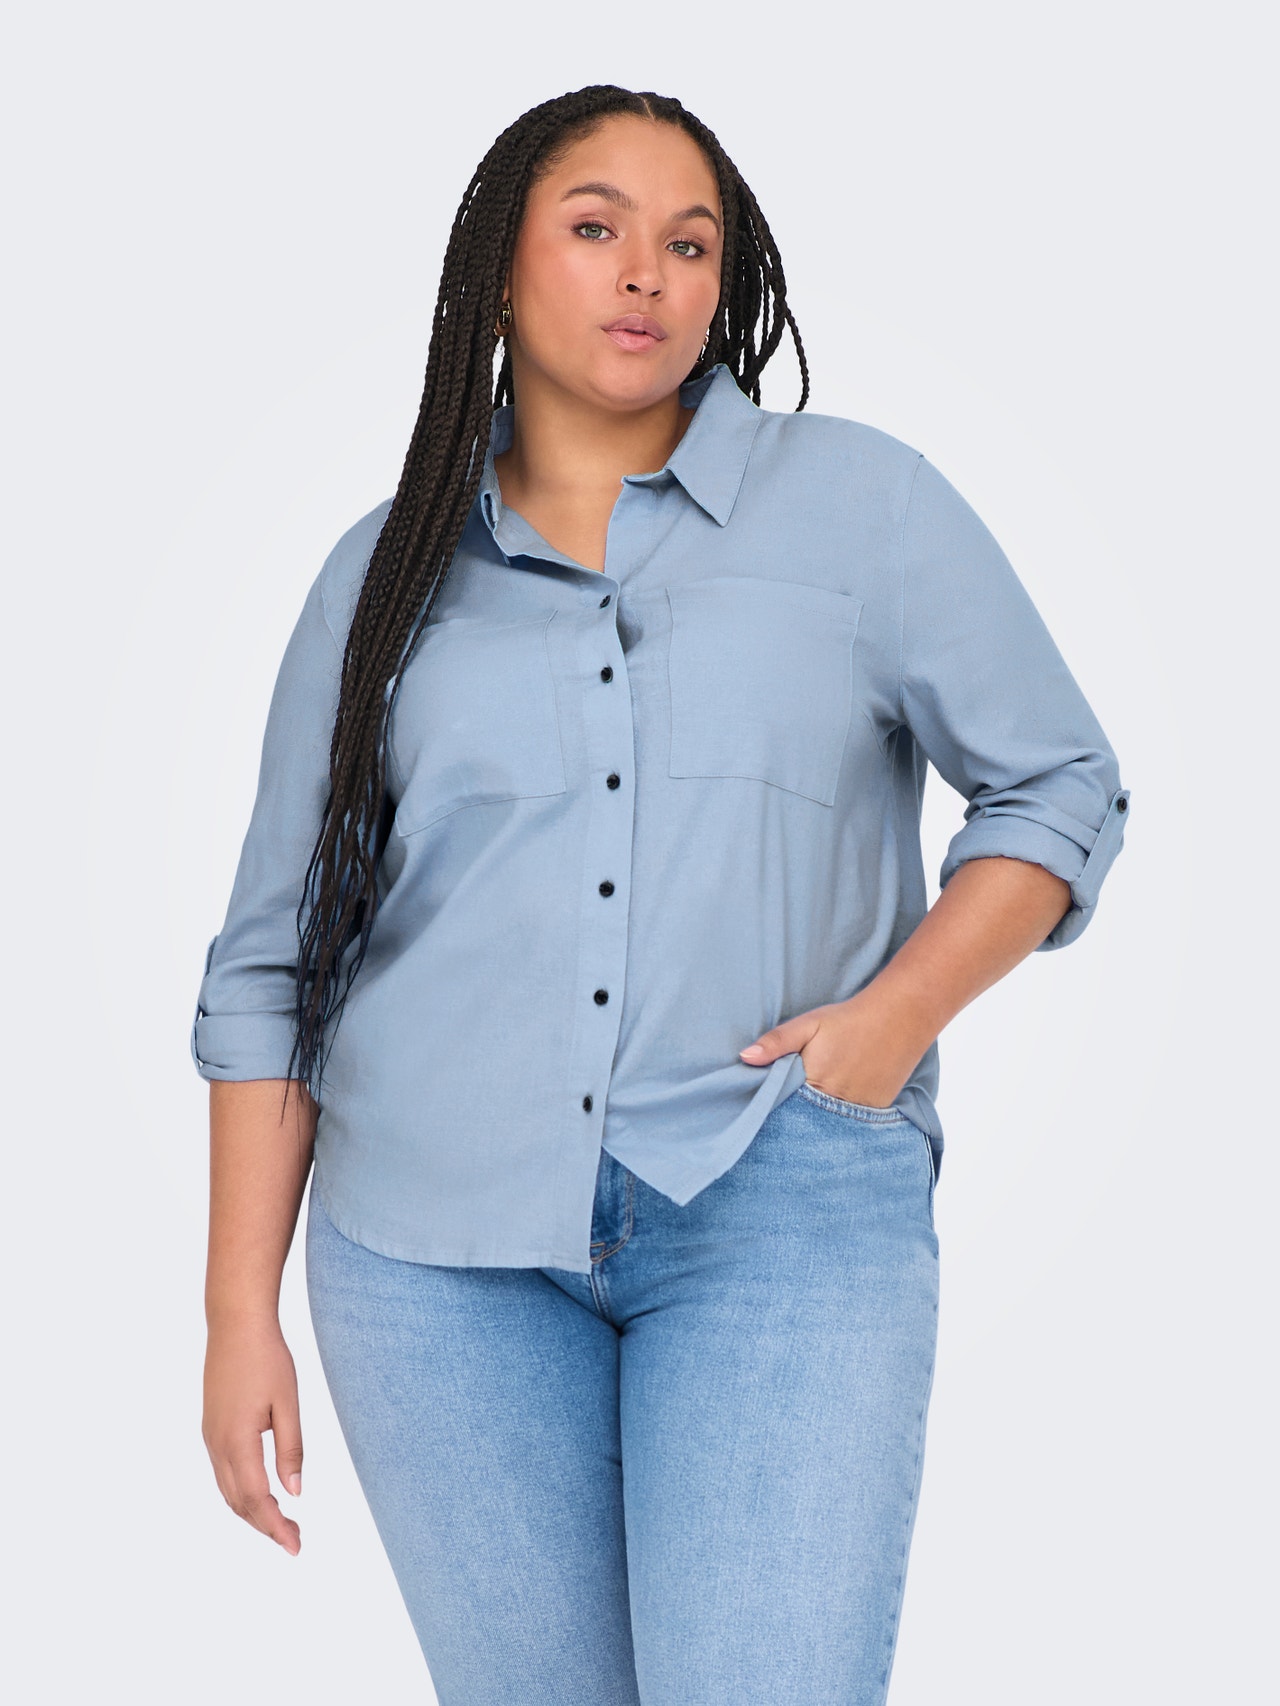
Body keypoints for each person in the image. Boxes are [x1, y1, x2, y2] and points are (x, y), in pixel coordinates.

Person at [193, 84, 1131, 1706]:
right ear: (499, 268)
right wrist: (235, 1311)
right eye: (596, 227)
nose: (648, 272)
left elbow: (1058, 785)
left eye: (690, 244)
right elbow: (275, 959)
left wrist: (890, 1023)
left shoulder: (866, 507)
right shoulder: (383, 575)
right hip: (432, 1252)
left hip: (780, 1202)